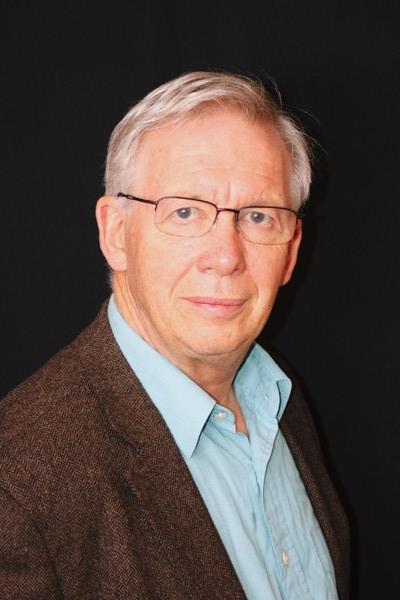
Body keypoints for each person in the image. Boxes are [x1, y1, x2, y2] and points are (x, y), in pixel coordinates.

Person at [0, 71, 349, 599]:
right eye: (185, 212)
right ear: (116, 234)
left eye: (258, 217)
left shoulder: (282, 400)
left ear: (291, 250)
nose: (226, 257)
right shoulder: (17, 484)